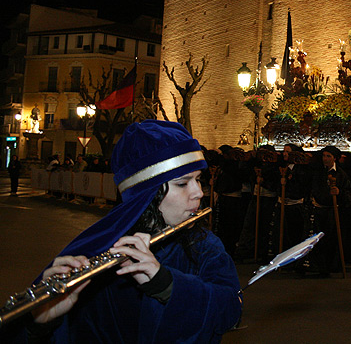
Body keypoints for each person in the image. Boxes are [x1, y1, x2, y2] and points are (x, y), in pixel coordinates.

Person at [5, 120, 242, 342]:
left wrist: (168, 285)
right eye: (182, 183)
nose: (198, 192)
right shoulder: (100, 249)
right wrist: (40, 324)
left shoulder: (204, 245)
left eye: (198, 179)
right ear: (146, 195)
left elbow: (231, 310)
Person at [310, 145, 351, 277]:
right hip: (320, 210)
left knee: (332, 240)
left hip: (333, 212)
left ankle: (332, 266)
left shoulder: (341, 174)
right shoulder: (318, 172)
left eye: (328, 156)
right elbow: (314, 188)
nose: (325, 159)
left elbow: (348, 193)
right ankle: (320, 267)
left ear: (335, 158)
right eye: (324, 156)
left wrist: (339, 193)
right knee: (319, 240)